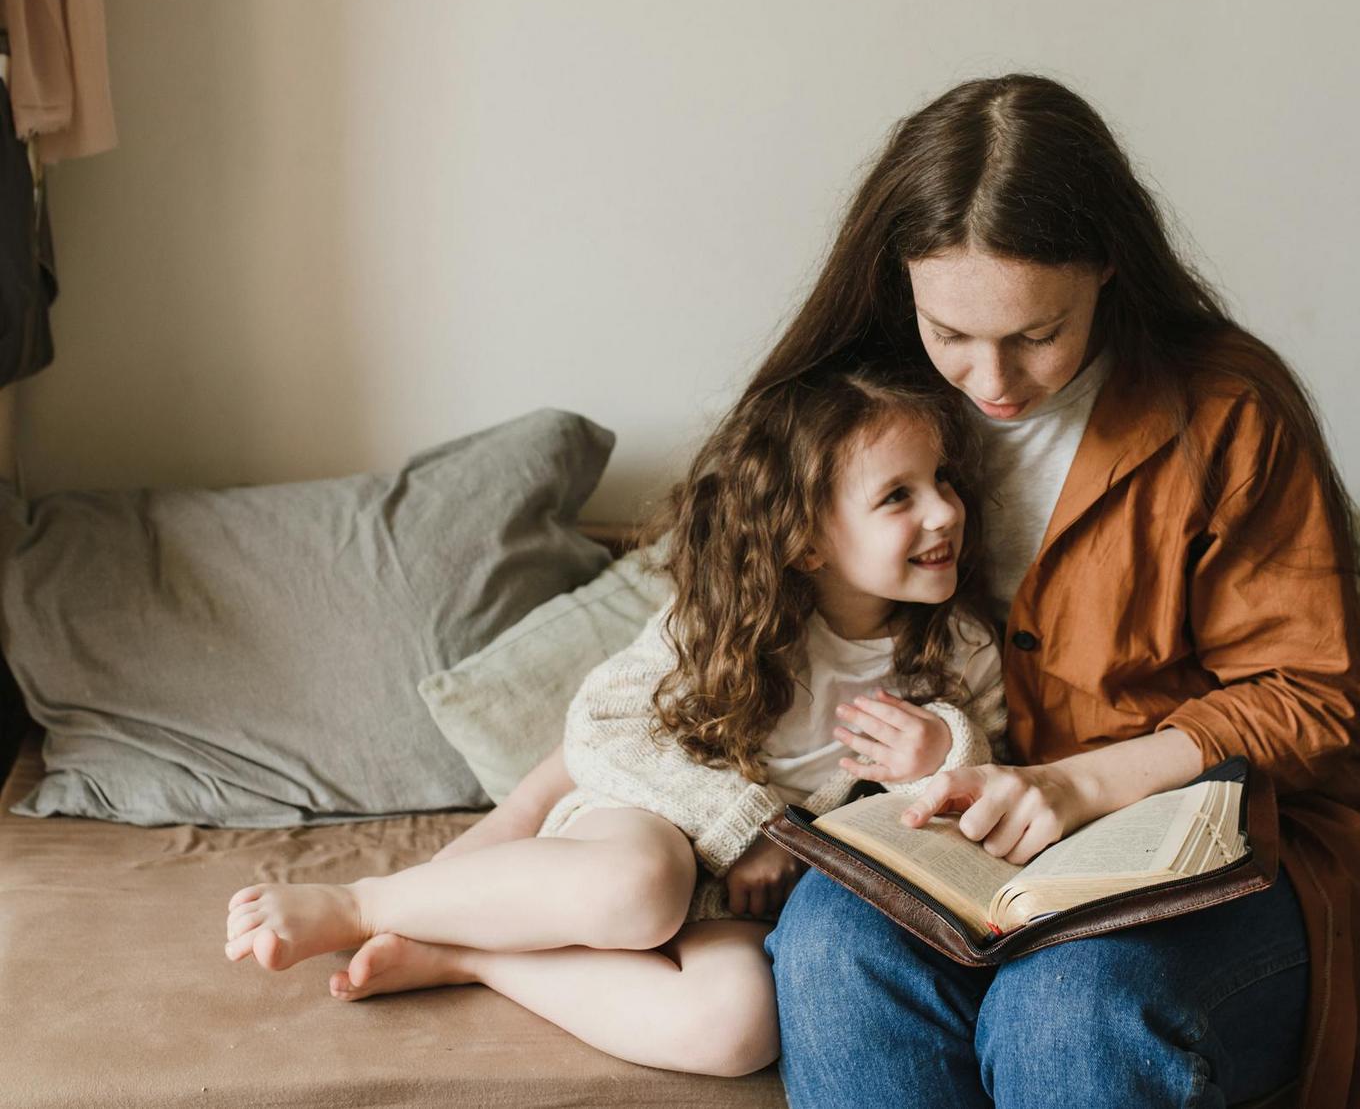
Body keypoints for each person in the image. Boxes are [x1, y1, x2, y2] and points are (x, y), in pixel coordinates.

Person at [418, 72, 1360, 1107]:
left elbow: (1311, 691)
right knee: (826, 947)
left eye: (1037, 335)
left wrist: (1081, 784)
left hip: (1213, 840)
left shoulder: (1227, 408)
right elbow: (698, 654)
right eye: (951, 332)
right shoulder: (861, 421)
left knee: (1070, 1011)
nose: (992, 383)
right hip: (931, 842)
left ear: (1106, 269)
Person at [222, 366, 1006, 1078]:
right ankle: (361, 904)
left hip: (738, 905)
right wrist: (754, 827)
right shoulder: (721, 619)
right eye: (898, 496)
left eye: (942, 481)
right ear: (803, 540)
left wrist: (946, 753)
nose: (944, 511)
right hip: (648, 830)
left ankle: (475, 956)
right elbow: (602, 726)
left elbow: (980, 796)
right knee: (641, 889)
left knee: (736, 1030)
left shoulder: (962, 648)